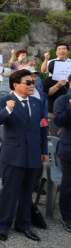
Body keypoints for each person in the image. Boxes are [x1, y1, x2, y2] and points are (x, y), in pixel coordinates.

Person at [0, 69, 48, 242]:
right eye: (28, 82)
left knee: (27, 192)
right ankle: (3, 225)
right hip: (14, 154)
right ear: (16, 85)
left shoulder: (36, 102)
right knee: (10, 192)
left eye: (33, 82)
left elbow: (43, 128)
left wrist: (43, 150)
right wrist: (7, 110)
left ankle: (23, 224)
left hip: (33, 155)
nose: (33, 85)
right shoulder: (4, 101)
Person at [53, 86, 71, 232]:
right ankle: (67, 216)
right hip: (68, 148)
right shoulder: (63, 100)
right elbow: (59, 121)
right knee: (68, 185)